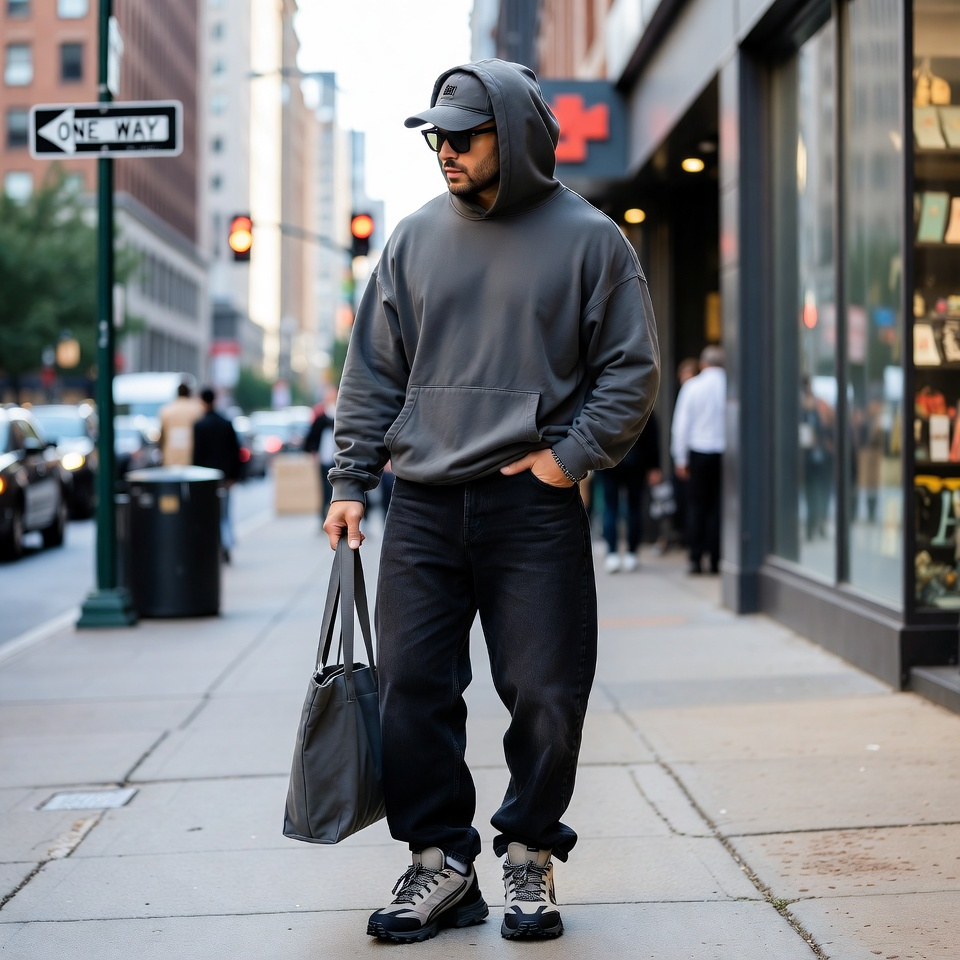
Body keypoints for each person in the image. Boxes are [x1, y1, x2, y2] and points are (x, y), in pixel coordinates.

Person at [322, 59, 660, 944]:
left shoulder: (592, 240)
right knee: (411, 694)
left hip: (531, 507)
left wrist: (570, 459)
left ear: (511, 135)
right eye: (436, 135)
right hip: (423, 506)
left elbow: (632, 370)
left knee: (548, 695)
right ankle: (440, 864)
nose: (445, 150)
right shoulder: (413, 238)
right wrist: (351, 480)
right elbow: (373, 373)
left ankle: (529, 853)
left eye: (462, 134)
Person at [670, 345, 725, 574]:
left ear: (703, 364)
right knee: (717, 508)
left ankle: (695, 558)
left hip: (699, 453)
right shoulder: (730, 385)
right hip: (724, 454)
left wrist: (680, 458)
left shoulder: (692, 387)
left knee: (696, 506)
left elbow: (681, 426)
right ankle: (715, 559)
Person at [600, 413, 662, 572]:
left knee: (611, 508)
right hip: (635, 463)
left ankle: (613, 553)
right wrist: (654, 465)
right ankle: (631, 554)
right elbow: (651, 436)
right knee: (633, 508)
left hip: (611, 463)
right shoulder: (640, 399)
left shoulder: (607, 401)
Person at [192, 387, 242, 563]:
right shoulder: (226, 423)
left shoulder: (199, 425)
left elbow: (196, 455)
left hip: (206, 479)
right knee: (225, 515)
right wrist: (234, 476)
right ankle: (226, 545)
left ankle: (215, 548)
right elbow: (236, 452)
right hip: (225, 478)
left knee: (209, 516)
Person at [302, 390, 336, 517]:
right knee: (324, 489)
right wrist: (313, 452)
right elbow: (311, 438)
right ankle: (324, 516)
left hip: (339, 459)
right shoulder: (320, 418)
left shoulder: (341, 416)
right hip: (324, 458)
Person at [158, 381, 203, 466]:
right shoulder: (197, 409)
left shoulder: (166, 410)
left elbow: (162, 436)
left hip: (171, 456)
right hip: (191, 455)